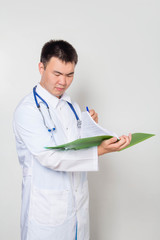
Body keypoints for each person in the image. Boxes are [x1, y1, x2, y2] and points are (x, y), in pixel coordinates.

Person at [13, 40, 131, 240]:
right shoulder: (28, 110)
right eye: (57, 74)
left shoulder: (71, 106)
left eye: (70, 75)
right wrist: (100, 151)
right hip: (46, 214)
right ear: (41, 67)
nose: (63, 82)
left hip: (76, 207)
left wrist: (89, 127)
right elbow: (51, 157)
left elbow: (75, 148)